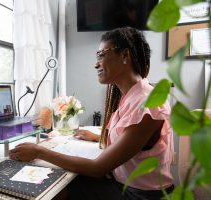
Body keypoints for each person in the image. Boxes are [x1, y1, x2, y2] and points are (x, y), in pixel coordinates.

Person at [9, 27, 174, 200]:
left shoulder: (147, 103)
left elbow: (97, 168)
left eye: (101, 55)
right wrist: (97, 138)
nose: (96, 64)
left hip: (141, 195)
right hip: (126, 185)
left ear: (125, 56)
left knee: (55, 189)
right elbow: (130, 142)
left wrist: (39, 152)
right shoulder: (133, 97)